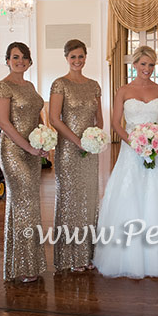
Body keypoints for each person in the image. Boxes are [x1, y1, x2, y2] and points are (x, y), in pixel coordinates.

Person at [93, 46, 158, 278]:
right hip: (131, 149)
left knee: (157, 194)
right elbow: (115, 123)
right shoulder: (123, 90)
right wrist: (132, 142)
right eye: (143, 64)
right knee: (129, 194)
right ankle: (128, 252)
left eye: (151, 65)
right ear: (134, 65)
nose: (147, 69)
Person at [0, 42, 47, 283]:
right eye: (15, 57)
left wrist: (43, 139)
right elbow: (4, 123)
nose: (20, 61)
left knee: (28, 203)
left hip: (33, 150)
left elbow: (38, 116)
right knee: (24, 201)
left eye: (24, 57)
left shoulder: (30, 86)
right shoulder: (2, 87)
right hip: (13, 151)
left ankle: (25, 262)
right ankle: (23, 265)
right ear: (7, 60)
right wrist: (28, 147)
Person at [49, 39, 103, 272]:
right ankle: (71, 256)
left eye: (81, 57)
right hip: (69, 150)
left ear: (85, 57)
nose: (77, 61)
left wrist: (96, 138)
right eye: (73, 57)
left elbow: (99, 118)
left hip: (90, 149)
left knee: (89, 199)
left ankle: (88, 254)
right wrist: (77, 141)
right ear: (66, 58)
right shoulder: (60, 84)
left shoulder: (93, 85)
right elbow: (54, 118)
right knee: (70, 199)